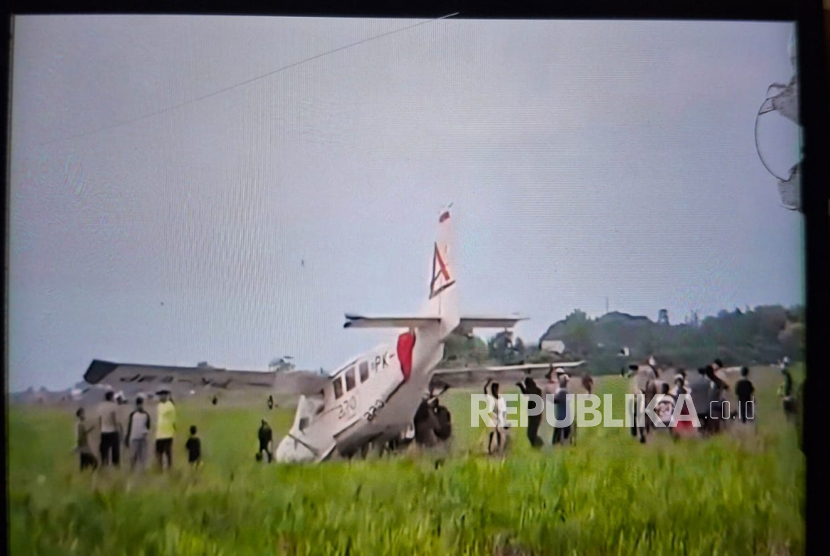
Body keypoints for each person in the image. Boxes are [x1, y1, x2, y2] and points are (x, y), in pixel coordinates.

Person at [516, 376, 544, 448]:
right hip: (535, 416)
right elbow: (527, 393)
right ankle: (536, 445)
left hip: (535, 417)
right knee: (531, 433)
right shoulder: (537, 390)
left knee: (531, 433)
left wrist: (521, 386)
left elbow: (527, 392)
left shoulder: (535, 391)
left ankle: (540, 445)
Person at [126, 396, 152, 470]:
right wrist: (127, 437)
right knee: (134, 455)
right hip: (135, 437)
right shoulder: (142, 414)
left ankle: (140, 470)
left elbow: (148, 426)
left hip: (140, 437)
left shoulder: (143, 414)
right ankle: (133, 469)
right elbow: (129, 426)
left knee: (141, 455)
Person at [97, 391, 122, 467]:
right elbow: (116, 420)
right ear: (111, 397)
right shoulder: (114, 406)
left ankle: (104, 466)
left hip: (103, 431)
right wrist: (120, 430)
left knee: (104, 452)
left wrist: (100, 429)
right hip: (113, 431)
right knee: (115, 452)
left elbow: (99, 420)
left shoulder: (101, 406)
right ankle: (116, 468)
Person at [155, 389, 177, 470]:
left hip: (167, 433)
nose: (160, 397)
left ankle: (169, 467)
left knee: (167, 452)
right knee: (159, 452)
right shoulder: (159, 405)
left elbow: (173, 418)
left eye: (162, 395)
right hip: (159, 433)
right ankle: (159, 468)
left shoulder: (170, 405)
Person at [485, 380, 508, 454]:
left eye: (495, 389)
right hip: (494, 417)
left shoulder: (500, 399)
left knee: (498, 433)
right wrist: (487, 383)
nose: (494, 391)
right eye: (493, 389)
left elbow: (503, 411)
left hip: (499, 418)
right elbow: (485, 391)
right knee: (492, 432)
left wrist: (504, 421)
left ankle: (498, 447)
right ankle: (489, 447)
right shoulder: (492, 398)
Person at [688, 367, 711, 435]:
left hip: (696, 405)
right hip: (705, 405)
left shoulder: (693, 382)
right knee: (706, 421)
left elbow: (690, 392)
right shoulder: (707, 382)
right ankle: (705, 432)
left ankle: (699, 432)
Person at [552, 374, 572, 446]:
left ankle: (557, 443)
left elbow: (555, 400)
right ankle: (562, 443)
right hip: (565, 416)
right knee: (565, 432)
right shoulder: (565, 392)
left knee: (559, 432)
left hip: (561, 416)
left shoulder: (562, 393)